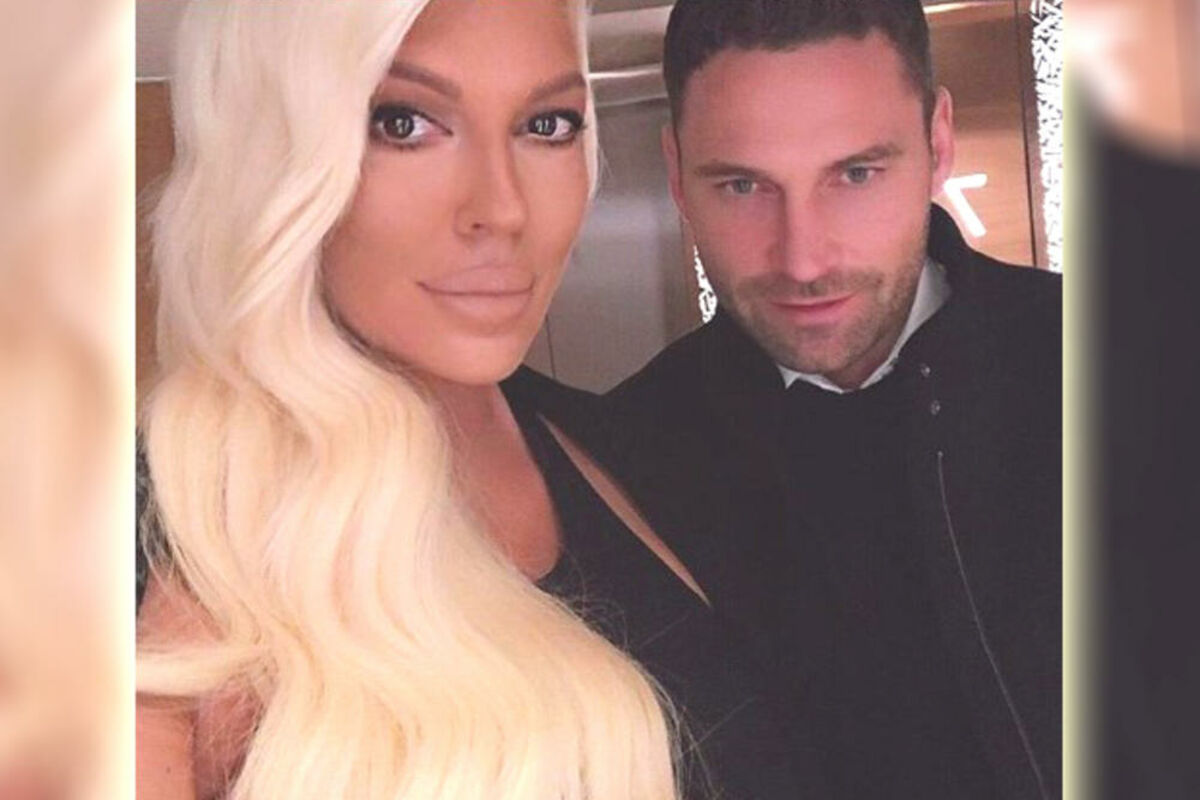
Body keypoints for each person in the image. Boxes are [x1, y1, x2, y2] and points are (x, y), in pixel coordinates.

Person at [134, 1, 808, 798]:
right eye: (404, 124)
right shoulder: (163, 543)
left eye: (547, 126)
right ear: (272, 152)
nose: (503, 208)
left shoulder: (627, 448)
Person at [598, 1, 1062, 798]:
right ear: (676, 173)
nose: (803, 259)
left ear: (939, 141)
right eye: (743, 184)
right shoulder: (622, 468)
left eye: (855, 174)